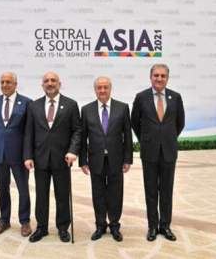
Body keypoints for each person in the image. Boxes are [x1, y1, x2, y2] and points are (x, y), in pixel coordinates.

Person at [24, 71, 81, 243]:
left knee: (62, 195)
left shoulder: (71, 105)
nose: (50, 83)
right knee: (41, 195)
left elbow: (77, 131)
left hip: (62, 158)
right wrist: (27, 156)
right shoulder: (33, 106)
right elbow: (28, 133)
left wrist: (73, 151)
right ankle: (41, 228)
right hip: (40, 159)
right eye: (46, 81)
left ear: (59, 84)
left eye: (53, 80)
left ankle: (63, 228)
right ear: (42, 85)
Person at [131, 64, 185, 242]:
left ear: (167, 78)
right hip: (149, 152)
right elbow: (135, 123)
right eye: (156, 76)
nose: (159, 79)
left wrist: (167, 138)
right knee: (151, 190)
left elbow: (180, 123)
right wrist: (147, 138)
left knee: (167, 190)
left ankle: (165, 226)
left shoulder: (175, 97)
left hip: (169, 151)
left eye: (163, 76)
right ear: (150, 77)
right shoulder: (141, 97)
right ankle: (152, 226)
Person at [79, 76, 133, 242]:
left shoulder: (122, 108)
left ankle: (115, 225)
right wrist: (83, 160)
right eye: (99, 88)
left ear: (110, 89)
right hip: (95, 160)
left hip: (116, 159)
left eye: (105, 87)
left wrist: (128, 159)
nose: (102, 90)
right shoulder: (86, 109)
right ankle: (100, 225)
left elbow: (128, 136)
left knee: (116, 194)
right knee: (98, 194)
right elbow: (83, 137)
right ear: (95, 90)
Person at [0, 72, 32, 237]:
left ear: (15, 84)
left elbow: (29, 132)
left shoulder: (26, 103)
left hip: (19, 155)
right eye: (2, 82)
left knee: (23, 189)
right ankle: (4, 220)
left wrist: (28, 155)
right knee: (2, 188)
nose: (5, 85)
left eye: (8, 82)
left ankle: (25, 221)